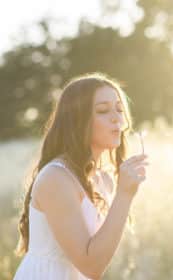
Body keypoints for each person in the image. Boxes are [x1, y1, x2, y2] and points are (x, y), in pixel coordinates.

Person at [13, 72, 149, 279]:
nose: (117, 118)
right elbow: (92, 266)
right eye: (103, 111)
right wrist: (124, 194)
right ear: (77, 121)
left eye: (120, 109)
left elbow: (100, 253)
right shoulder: (56, 178)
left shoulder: (104, 180)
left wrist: (122, 190)